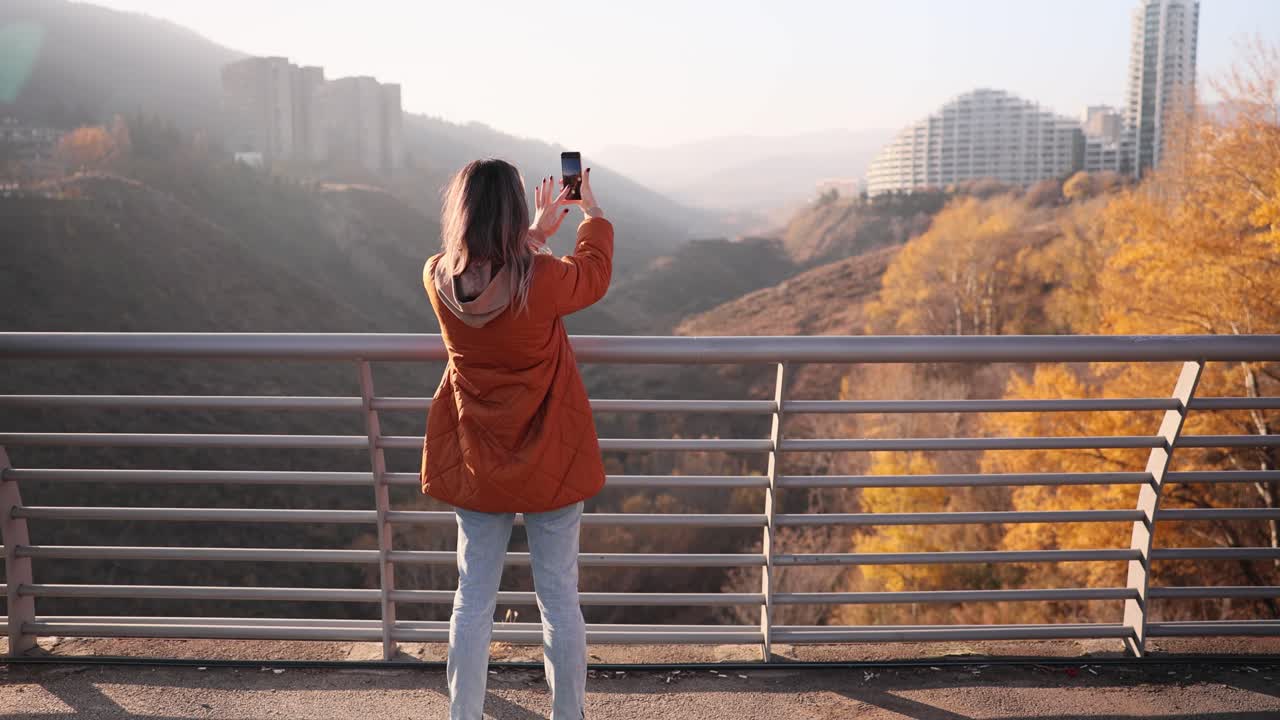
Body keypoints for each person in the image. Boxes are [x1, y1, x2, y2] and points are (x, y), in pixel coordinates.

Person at [420, 158, 612, 720]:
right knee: (558, 599)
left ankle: (464, 712)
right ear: (509, 214)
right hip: (551, 461)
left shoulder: (437, 279)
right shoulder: (543, 280)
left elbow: (489, 276)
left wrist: (533, 234)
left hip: (477, 460)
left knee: (472, 598)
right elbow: (593, 273)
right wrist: (590, 211)